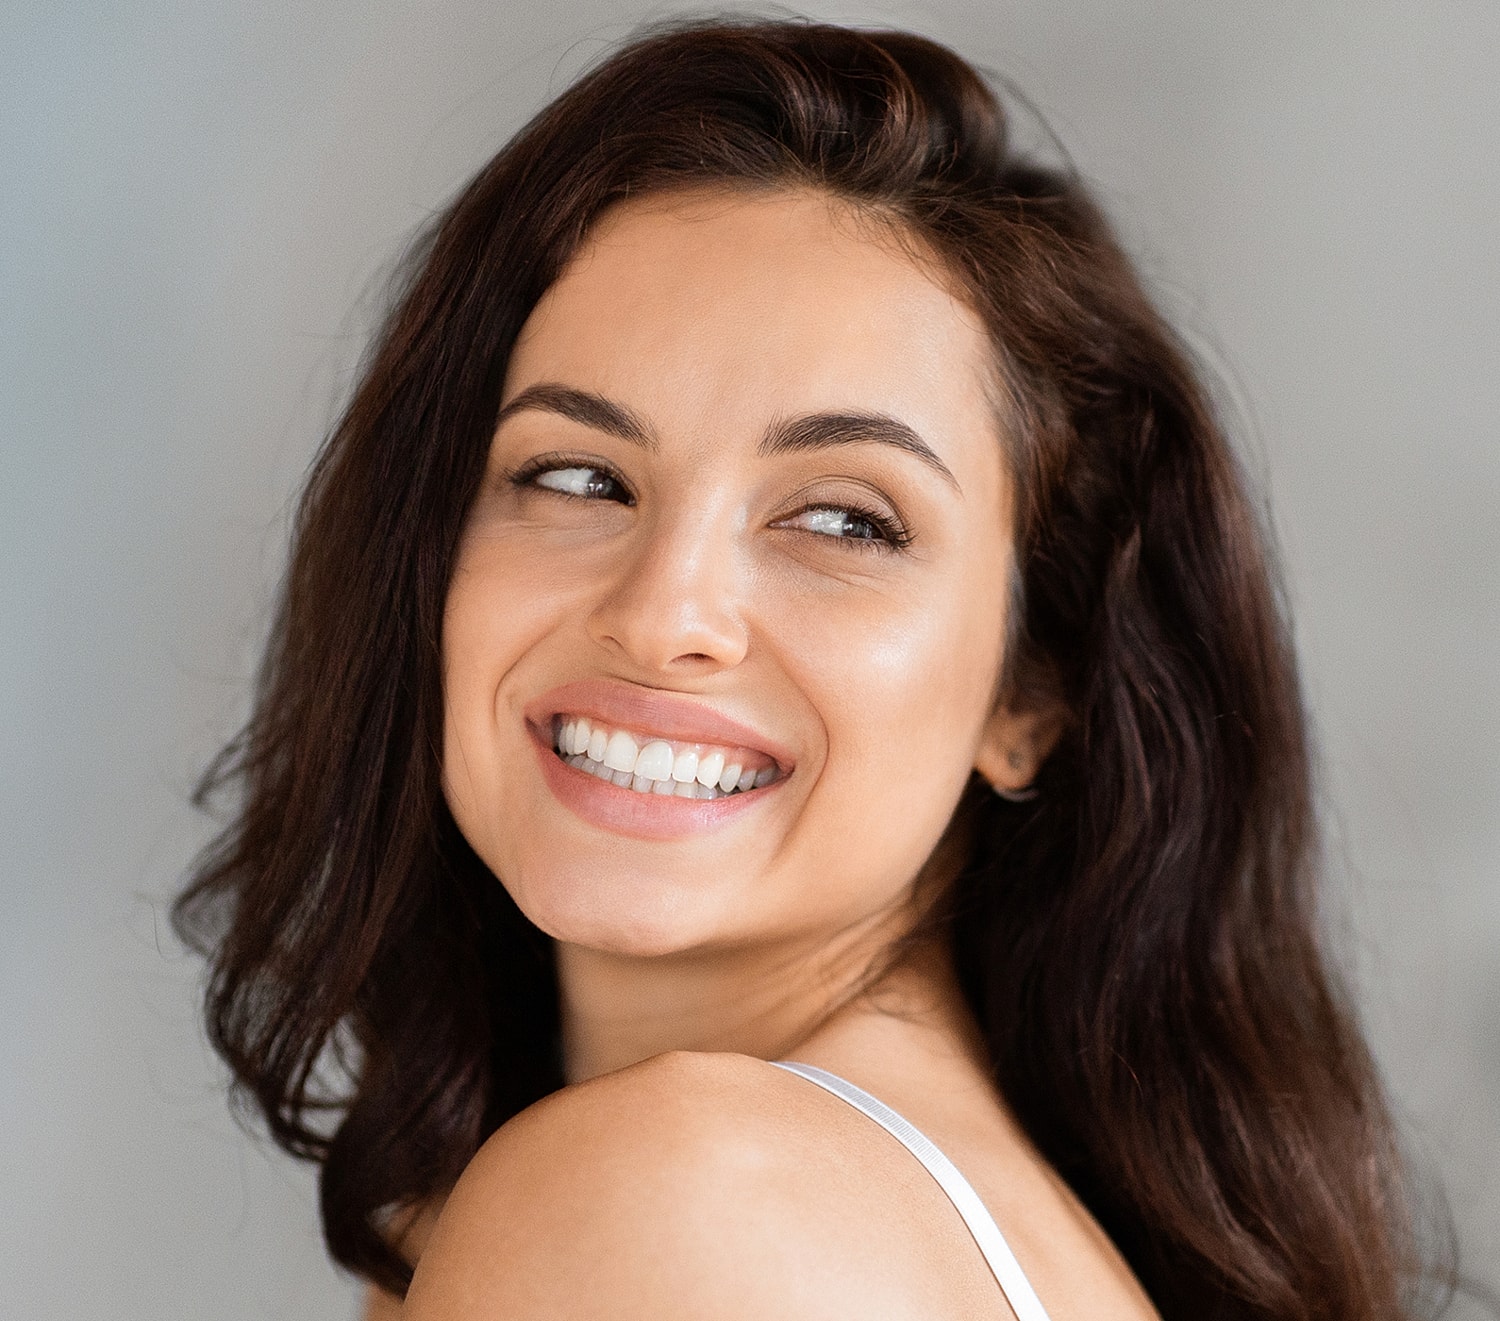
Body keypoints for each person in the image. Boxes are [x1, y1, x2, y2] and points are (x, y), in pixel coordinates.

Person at [176, 16, 1424, 1319]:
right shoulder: (908, 1214)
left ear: (1033, 682)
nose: (664, 615)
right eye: (577, 474)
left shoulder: (669, 1202)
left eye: (843, 520)